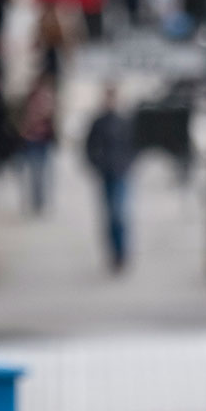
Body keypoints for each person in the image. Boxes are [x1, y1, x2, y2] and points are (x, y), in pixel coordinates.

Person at [84, 85, 138, 272]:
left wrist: (128, 164)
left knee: (119, 214)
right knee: (110, 215)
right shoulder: (98, 122)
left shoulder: (124, 121)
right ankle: (113, 253)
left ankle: (122, 253)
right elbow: (89, 147)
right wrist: (97, 165)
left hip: (121, 173)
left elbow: (134, 146)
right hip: (106, 172)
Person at [17, 72, 58, 216]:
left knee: (42, 173)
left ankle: (40, 202)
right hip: (31, 141)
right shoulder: (28, 100)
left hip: (43, 141)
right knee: (34, 172)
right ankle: (36, 201)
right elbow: (24, 120)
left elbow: (50, 118)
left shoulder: (47, 98)